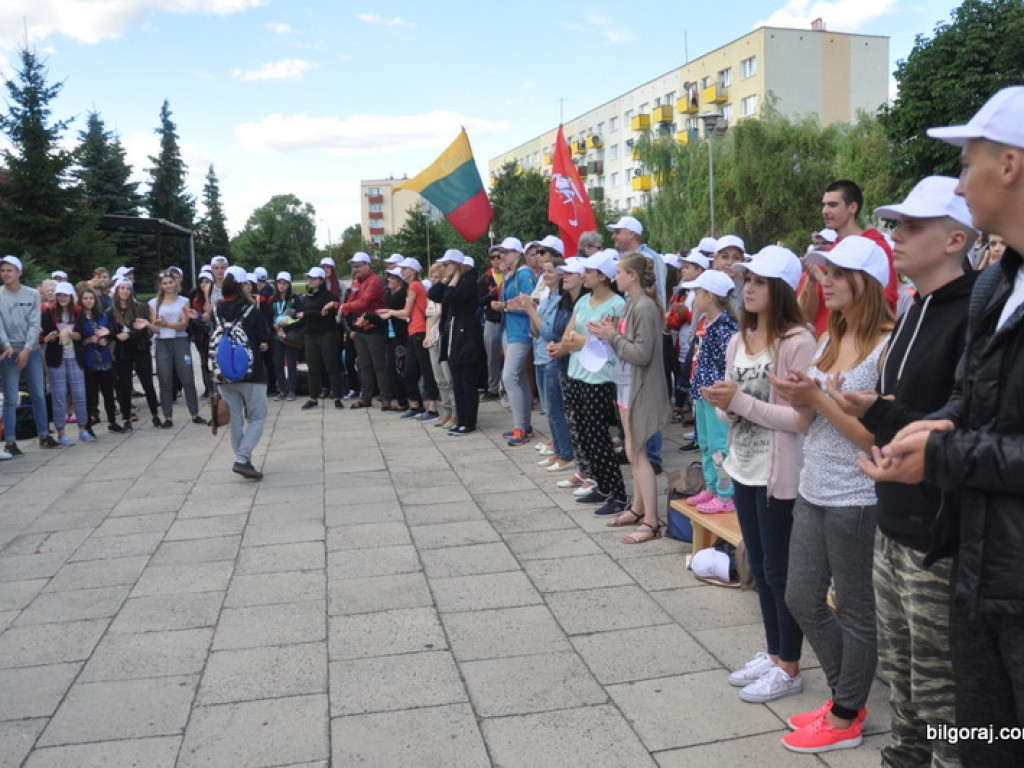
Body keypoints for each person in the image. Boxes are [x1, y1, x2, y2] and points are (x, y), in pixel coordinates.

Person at [861, 86, 1024, 767]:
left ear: (1010, 165)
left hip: (992, 560)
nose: (963, 180)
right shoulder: (998, 283)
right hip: (978, 564)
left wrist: (945, 452)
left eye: (968, 163)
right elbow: (965, 401)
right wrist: (927, 432)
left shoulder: (977, 290)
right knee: (976, 733)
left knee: (967, 725)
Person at [825, 176, 976, 767]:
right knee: (906, 687)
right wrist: (878, 410)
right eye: (895, 224)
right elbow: (913, 411)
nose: (896, 235)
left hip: (938, 538)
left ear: (954, 239)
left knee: (949, 706)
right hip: (894, 524)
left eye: (912, 226)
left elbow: (959, 424)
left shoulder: (976, 313)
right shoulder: (915, 307)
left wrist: (890, 415)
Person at [773, 234, 893, 754]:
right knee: (801, 595)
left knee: (855, 607)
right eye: (824, 271)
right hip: (814, 483)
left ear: (867, 282)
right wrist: (798, 394)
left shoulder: (889, 342)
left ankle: (846, 713)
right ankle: (849, 696)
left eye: (839, 273)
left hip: (857, 491)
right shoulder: (827, 336)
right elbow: (808, 421)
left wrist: (817, 398)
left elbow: (874, 436)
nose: (826, 279)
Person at [703, 246, 815, 704]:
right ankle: (773, 654)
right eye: (745, 280)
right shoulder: (737, 341)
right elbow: (737, 415)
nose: (747, 288)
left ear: (782, 289)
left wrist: (740, 402)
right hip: (743, 469)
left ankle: (789, 664)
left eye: (759, 282)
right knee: (761, 571)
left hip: (779, 476)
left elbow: (801, 420)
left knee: (778, 571)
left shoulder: (798, 342)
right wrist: (725, 405)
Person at [589, 252, 673, 542]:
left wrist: (612, 337)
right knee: (631, 451)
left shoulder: (645, 307)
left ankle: (651, 521)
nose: (615, 277)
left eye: (620, 272)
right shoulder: (631, 305)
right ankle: (638, 509)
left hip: (641, 390)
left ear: (633, 276)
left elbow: (642, 353)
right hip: (627, 387)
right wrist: (606, 334)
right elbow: (626, 346)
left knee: (638, 454)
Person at [548, 249, 627, 516]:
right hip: (578, 373)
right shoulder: (583, 302)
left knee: (599, 437)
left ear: (603, 276)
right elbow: (570, 334)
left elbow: (604, 341)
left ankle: (617, 492)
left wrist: (578, 342)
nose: (583, 275)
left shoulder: (616, 304)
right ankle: (601, 485)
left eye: (588, 272)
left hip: (600, 377)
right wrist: (577, 342)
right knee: (584, 435)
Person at [799, 180, 899, 335]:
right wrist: (811, 282)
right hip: (828, 345)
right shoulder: (828, 254)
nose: (825, 211)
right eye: (824, 205)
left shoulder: (876, 248)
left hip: (863, 343)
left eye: (833, 205)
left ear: (853, 207)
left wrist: (822, 279)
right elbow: (808, 317)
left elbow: (884, 300)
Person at [509, 253, 575, 472]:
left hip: (552, 356)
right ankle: (558, 448)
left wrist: (530, 309)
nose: (544, 275)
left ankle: (565, 452)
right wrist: (533, 313)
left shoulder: (560, 299)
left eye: (549, 271)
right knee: (549, 408)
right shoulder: (549, 296)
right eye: (544, 271)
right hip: (541, 355)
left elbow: (548, 332)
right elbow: (536, 329)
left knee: (556, 408)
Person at [682, 269, 739, 513]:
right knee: (705, 443)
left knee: (718, 445)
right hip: (702, 393)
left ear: (711, 296)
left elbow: (730, 364)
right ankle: (712, 486)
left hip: (716, 396)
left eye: (697, 292)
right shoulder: (706, 323)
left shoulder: (725, 328)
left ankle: (726, 494)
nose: (694, 298)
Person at [211, 267, 271, 479]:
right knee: (258, 416)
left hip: (224, 373)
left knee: (236, 419)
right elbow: (264, 334)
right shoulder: (251, 310)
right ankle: (243, 459)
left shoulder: (216, 309)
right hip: (251, 373)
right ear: (243, 285)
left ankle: (243, 461)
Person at [0, 255, 57, 453]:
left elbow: (35, 324)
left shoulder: (32, 294)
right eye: (3, 270)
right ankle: (10, 440)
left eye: (9, 270)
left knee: (38, 394)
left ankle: (44, 434)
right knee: (9, 397)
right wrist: (7, 345)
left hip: (30, 350)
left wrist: (26, 349)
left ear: (19, 273)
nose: (5, 274)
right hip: (8, 352)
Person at [429, 250, 484, 436]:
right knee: (457, 382)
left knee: (466, 382)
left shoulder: (468, 283)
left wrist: (454, 279)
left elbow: (452, 296)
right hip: (452, 337)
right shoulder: (453, 282)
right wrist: (446, 280)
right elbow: (434, 294)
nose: (444, 268)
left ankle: (469, 421)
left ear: (458, 265)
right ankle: (461, 418)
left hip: (466, 338)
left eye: (447, 265)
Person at [378, 257, 439, 422]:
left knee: (424, 371)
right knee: (409, 370)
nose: (402, 271)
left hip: (418, 330)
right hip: (414, 330)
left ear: (413, 270)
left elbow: (405, 312)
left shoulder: (413, 285)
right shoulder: (413, 286)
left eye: (405, 269)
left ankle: (432, 408)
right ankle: (415, 405)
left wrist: (390, 313)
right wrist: (389, 310)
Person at [491, 237, 537, 446]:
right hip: (511, 331)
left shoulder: (524, 274)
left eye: (508, 252)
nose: (503, 256)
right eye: (502, 252)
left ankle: (522, 427)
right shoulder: (512, 274)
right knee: (519, 379)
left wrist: (505, 307)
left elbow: (530, 305)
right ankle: (524, 426)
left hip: (520, 332)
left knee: (509, 377)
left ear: (518, 253)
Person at [149, 271, 204, 428]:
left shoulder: (184, 301)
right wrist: (151, 325)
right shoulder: (154, 303)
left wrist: (165, 324)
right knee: (165, 379)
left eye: (170, 282)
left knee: (187, 378)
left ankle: (195, 413)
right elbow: (155, 327)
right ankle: (168, 416)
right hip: (162, 343)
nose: (168, 286)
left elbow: (184, 325)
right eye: (164, 283)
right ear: (160, 285)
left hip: (180, 341)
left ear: (175, 283)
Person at [41, 282, 93, 445]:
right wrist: (53, 336)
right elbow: (45, 335)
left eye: (65, 295)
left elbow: (82, 334)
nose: (62, 298)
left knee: (79, 394)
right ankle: (61, 432)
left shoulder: (78, 312)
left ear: (71, 296)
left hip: (74, 357)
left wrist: (68, 333)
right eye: (60, 295)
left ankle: (83, 429)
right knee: (59, 396)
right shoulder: (48, 313)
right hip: (57, 359)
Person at [338, 253, 389, 410]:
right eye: (353, 266)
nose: (355, 269)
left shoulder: (374, 280)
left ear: (368, 265)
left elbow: (363, 302)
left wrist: (344, 307)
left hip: (374, 327)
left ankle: (385, 398)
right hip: (361, 327)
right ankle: (366, 397)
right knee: (363, 365)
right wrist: (345, 306)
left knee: (379, 365)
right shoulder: (357, 281)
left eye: (358, 266)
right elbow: (353, 299)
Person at [109, 278, 160, 430]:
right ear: (117, 291)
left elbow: (145, 330)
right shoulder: (110, 311)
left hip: (140, 349)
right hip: (122, 352)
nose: (125, 291)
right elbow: (110, 332)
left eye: (127, 288)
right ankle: (126, 417)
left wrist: (130, 335)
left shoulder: (139, 308)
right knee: (124, 385)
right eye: (122, 288)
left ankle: (155, 415)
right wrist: (115, 337)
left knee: (147, 383)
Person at [299, 266, 343, 410]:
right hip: (311, 335)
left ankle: (337, 396)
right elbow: (304, 316)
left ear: (321, 280)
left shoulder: (328, 296)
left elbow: (324, 315)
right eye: (309, 278)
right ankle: (313, 398)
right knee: (313, 368)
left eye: (314, 278)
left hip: (327, 334)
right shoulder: (308, 296)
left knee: (331, 366)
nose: (311, 281)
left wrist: (307, 314)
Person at [78, 287, 121, 433]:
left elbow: (113, 332)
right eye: (85, 298)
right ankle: (89, 425)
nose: (89, 301)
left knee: (108, 392)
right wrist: (90, 339)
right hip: (88, 359)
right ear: (81, 300)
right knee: (90, 395)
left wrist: (107, 338)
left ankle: (112, 422)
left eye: (91, 298)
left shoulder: (102, 315)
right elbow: (78, 339)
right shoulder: (78, 318)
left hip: (105, 358)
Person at [425, 261, 456, 429]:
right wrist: (428, 334)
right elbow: (429, 317)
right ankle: (446, 412)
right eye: (432, 277)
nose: (434, 280)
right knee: (439, 379)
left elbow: (440, 314)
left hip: (443, 335)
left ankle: (455, 413)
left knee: (448, 377)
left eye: (437, 277)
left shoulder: (445, 293)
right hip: (433, 337)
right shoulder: (431, 296)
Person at [269, 272, 300, 402]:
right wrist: (274, 325)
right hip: (276, 335)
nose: (281, 286)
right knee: (278, 363)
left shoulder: (294, 299)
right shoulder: (272, 299)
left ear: (289, 284)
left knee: (291, 362)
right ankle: (281, 389)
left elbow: (298, 317)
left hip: (289, 335)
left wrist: (286, 325)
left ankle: (292, 389)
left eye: (284, 283)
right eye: (279, 283)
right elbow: (268, 315)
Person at [479, 243, 505, 401]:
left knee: (509, 357)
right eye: (493, 257)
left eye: (499, 256)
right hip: (492, 320)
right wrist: (491, 295)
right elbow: (479, 301)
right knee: (492, 357)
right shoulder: (485, 278)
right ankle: (493, 387)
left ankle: (506, 387)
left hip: (508, 320)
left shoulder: (510, 274)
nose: (496, 260)